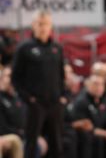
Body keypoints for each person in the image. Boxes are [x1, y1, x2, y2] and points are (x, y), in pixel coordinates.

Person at [11, 10, 65, 158]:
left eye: (46, 23)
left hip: (54, 104)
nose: (43, 27)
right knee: (31, 144)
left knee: (56, 144)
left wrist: (63, 97)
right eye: (40, 23)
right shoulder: (24, 48)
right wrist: (28, 99)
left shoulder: (57, 48)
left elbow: (62, 76)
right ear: (33, 25)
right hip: (34, 105)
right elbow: (15, 78)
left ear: (51, 26)